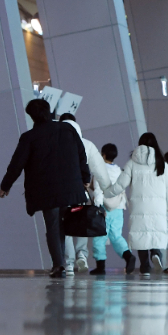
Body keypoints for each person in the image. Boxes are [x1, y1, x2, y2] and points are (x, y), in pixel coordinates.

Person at [0, 100, 90, 278]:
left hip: (47, 191)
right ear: (49, 111)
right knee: (65, 225)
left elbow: (17, 164)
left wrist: (5, 186)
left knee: (54, 226)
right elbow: (81, 155)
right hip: (71, 187)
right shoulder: (67, 129)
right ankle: (65, 262)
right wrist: (85, 178)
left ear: (31, 116)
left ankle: (59, 265)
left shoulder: (30, 137)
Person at [104, 133, 168, 276]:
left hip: (139, 206)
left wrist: (107, 193)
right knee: (155, 232)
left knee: (141, 234)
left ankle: (145, 267)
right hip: (158, 207)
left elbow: (120, 185)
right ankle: (156, 254)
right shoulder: (163, 164)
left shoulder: (132, 163)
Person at [58, 113, 112, 275]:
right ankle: (82, 254)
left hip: (61, 193)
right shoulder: (87, 144)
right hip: (81, 192)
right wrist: (101, 194)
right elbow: (100, 172)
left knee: (65, 227)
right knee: (80, 222)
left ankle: (68, 264)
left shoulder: (56, 143)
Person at [89, 143, 136, 275]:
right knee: (116, 235)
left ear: (102, 154)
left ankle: (100, 266)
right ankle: (128, 256)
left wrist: (97, 207)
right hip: (118, 207)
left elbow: (98, 190)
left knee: (99, 236)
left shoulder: (100, 169)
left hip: (103, 207)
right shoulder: (118, 170)